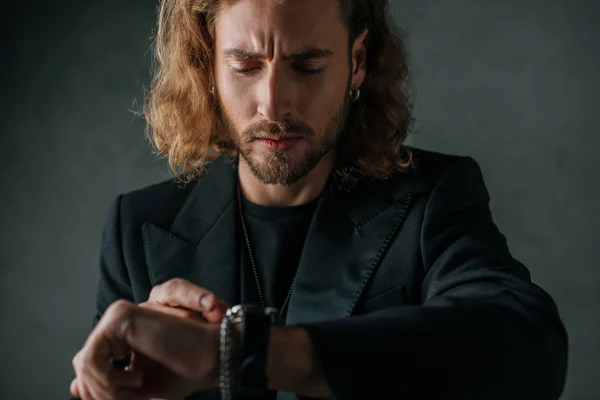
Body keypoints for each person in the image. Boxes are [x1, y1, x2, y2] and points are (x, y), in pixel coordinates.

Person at [70, 0, 568, 399]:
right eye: (245, 66)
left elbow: (529, 348)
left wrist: (244, 353)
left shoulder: (433, 197)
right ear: (208, 65)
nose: (273, 104)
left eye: (307, 66)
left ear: (356, 63)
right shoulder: (137, 225)